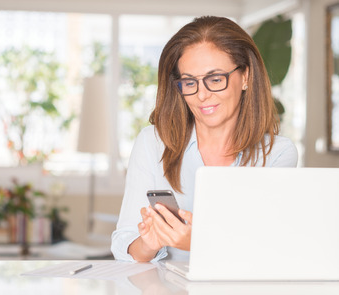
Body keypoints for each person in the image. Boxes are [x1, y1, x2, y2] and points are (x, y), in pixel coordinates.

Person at [111, 16, 298, 262]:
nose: (202, 95)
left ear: (246, 77)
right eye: (189, 82)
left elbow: (269, 248)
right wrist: (150, 242)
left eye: (216, 79)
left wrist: (198, 242)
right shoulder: (152, 143)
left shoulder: (276, 153)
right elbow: (124, 243)